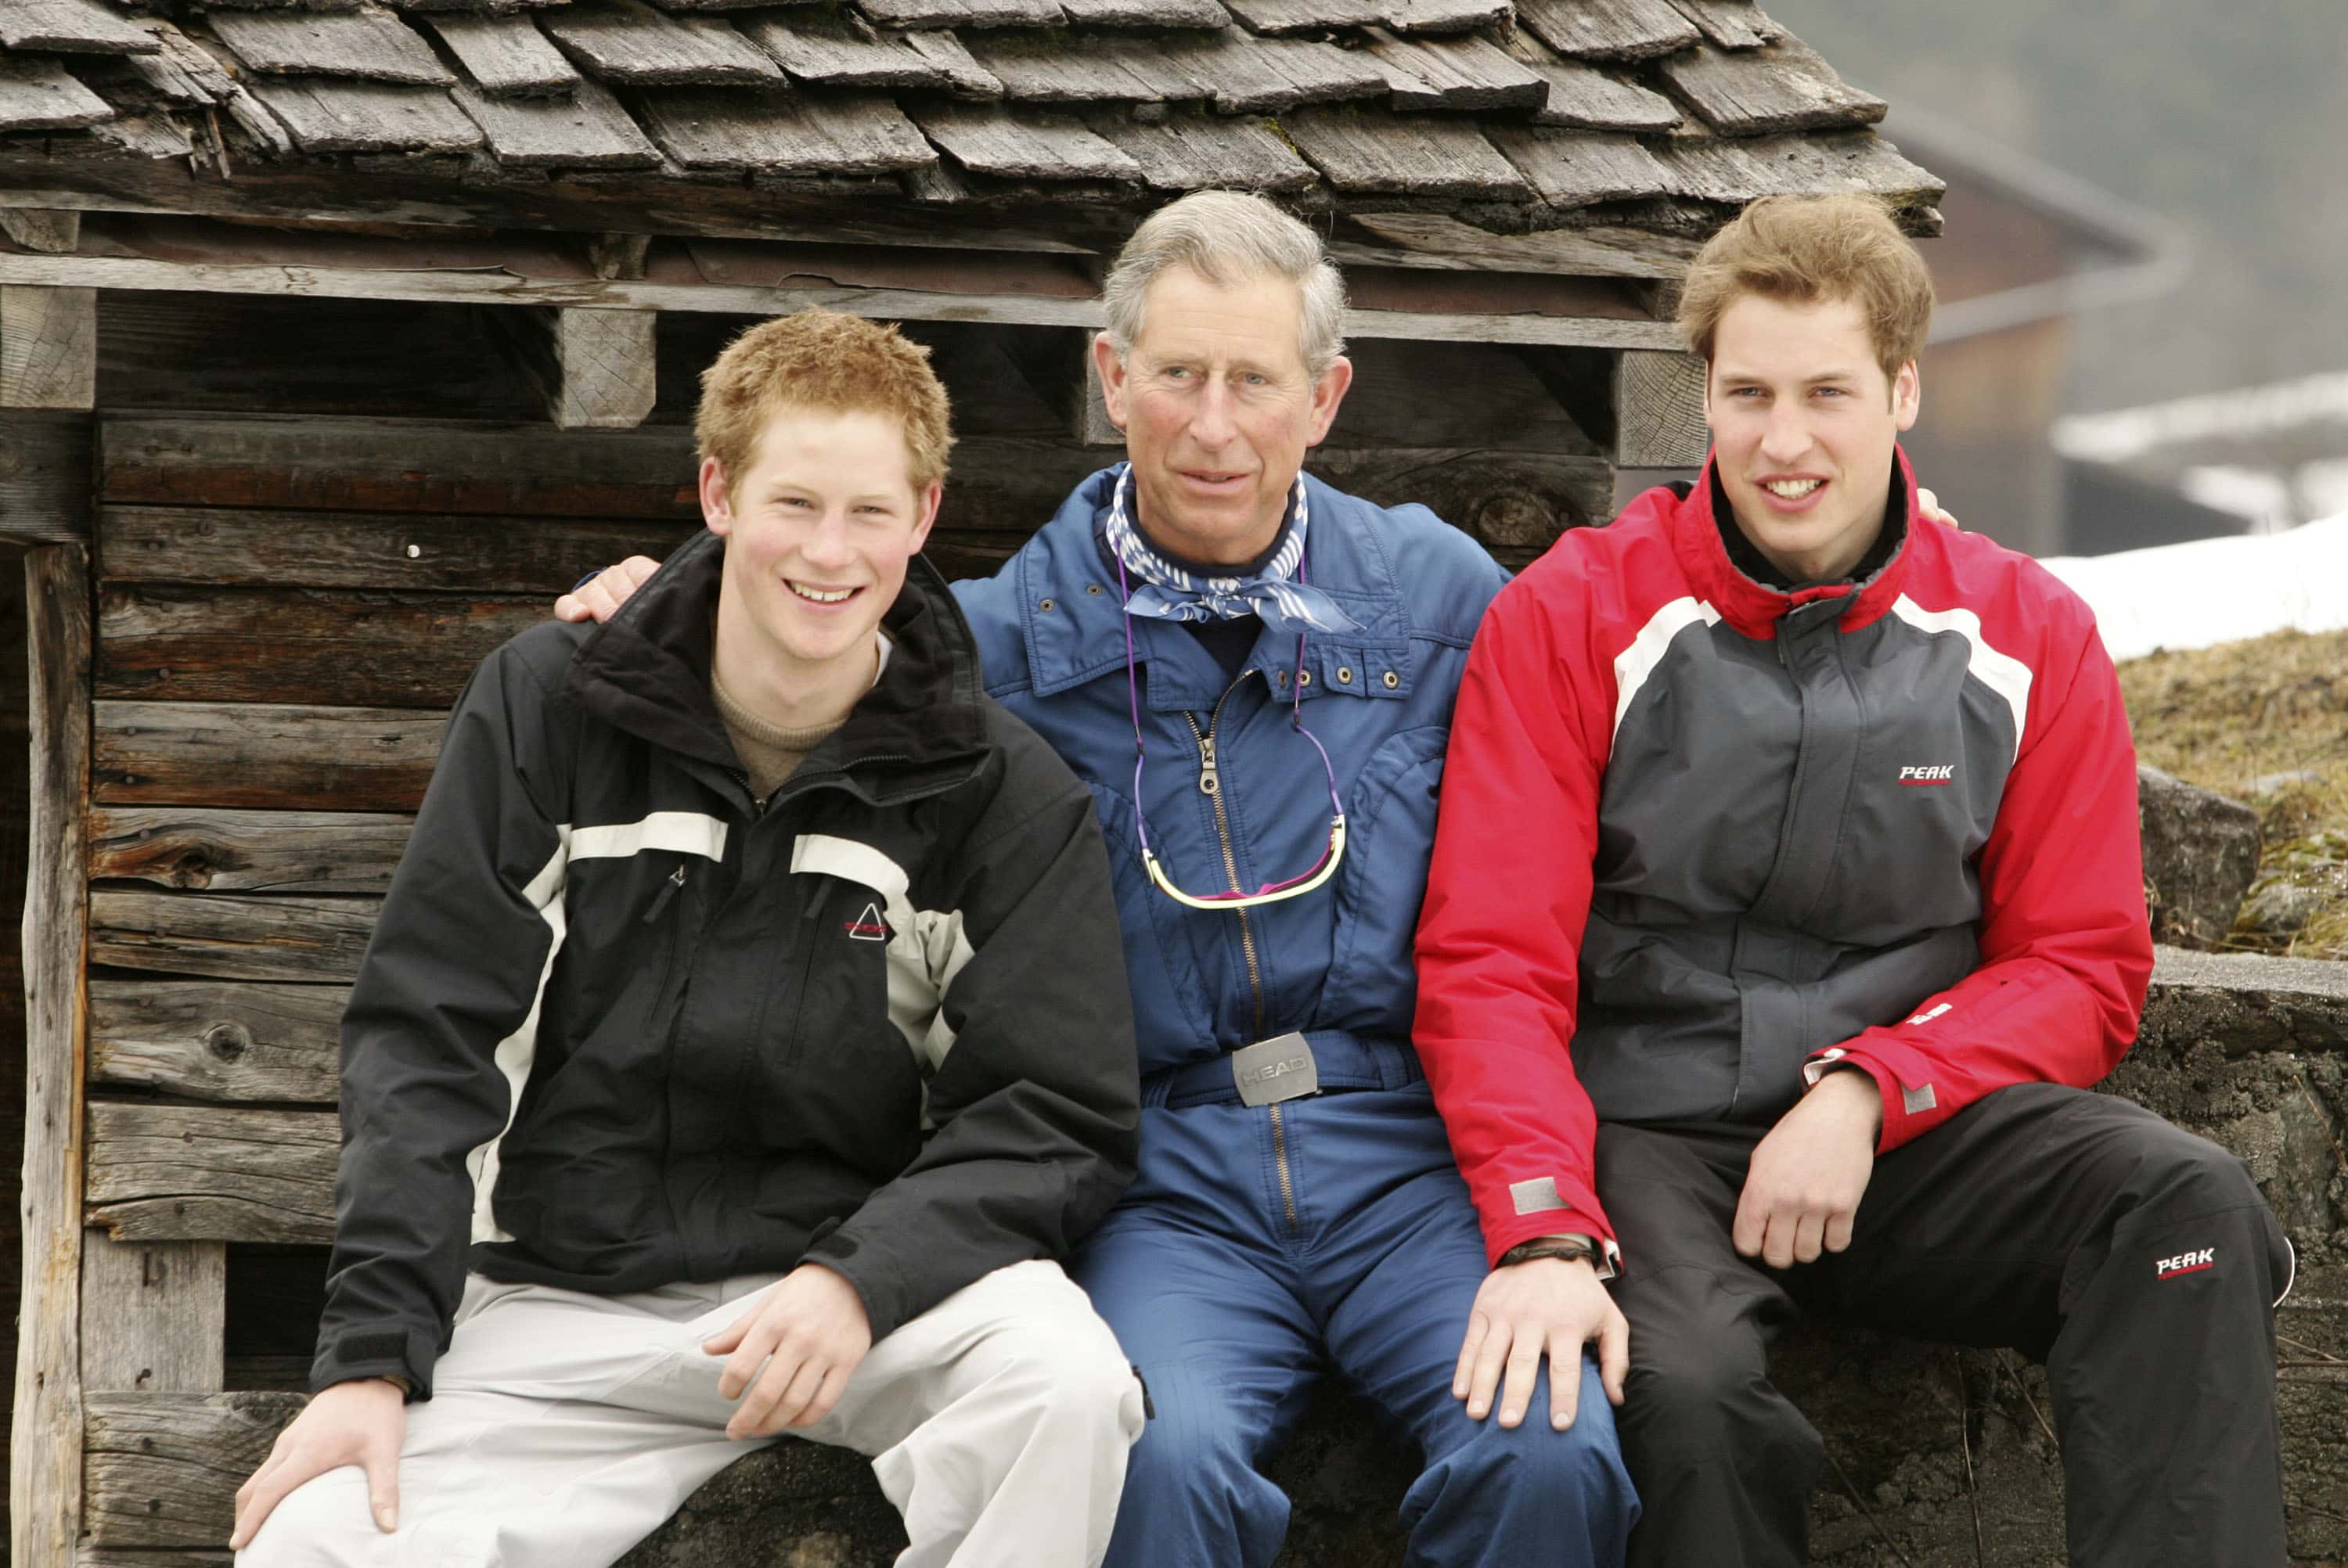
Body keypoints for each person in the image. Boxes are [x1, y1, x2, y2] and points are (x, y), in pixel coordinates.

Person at [563, 191, 1640, 1567]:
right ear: (1112, 376)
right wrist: (663, 606)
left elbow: (1630, 649)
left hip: (1409, 1158)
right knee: (1152, 1457)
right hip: (1160, 1178)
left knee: (1544, 1443)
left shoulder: (1435, 594)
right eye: (1178, 374)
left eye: (1255, 381)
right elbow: (796, 648)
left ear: (1325, 397)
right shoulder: (993, 646)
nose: (1213, 423)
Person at [1413, 192, 2296, 1568]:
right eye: (1748, 391)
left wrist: (1878, 1085)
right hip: (1649, 1135)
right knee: (1689, 1400)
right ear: (1700, 395)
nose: (1784, 440)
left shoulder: (2026, 634)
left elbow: (2082, 965)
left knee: (2181, 1212)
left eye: (1827, 392)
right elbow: (1491, 967)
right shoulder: (1574, 614)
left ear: (1902, 388)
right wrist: (1544, 1222)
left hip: (1909, 1133)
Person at [232, 309, 1147, 1568]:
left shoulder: (1001, 789)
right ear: (717, 491)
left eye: (871, 512)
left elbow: (1053, 1106)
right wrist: (370, 1362)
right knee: (314, 1543)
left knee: (1068, 1390)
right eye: (795, 502)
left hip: (854, 1291)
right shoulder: (548, 706)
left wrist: (859, 1279)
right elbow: (425, 1034)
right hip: (561, 1298)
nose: (831, 553)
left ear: (925, 518)